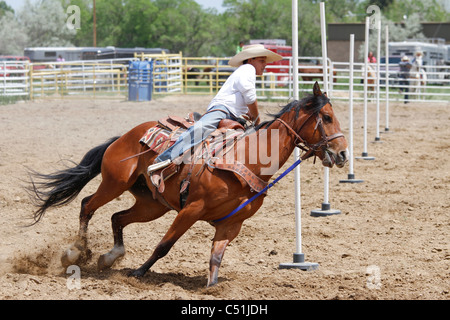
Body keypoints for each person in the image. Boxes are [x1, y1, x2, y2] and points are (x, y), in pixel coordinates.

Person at [147, 44, 283, 174]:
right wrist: (256, 118)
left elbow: (244, 98)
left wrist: (246, 113)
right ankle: (164, 158)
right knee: (200, 129)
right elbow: (250, 97)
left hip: (230, 114)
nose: (265, 64)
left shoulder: (245, 71)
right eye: (261, 61)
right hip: (222, 110)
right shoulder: (248, 69)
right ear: (251, 59)